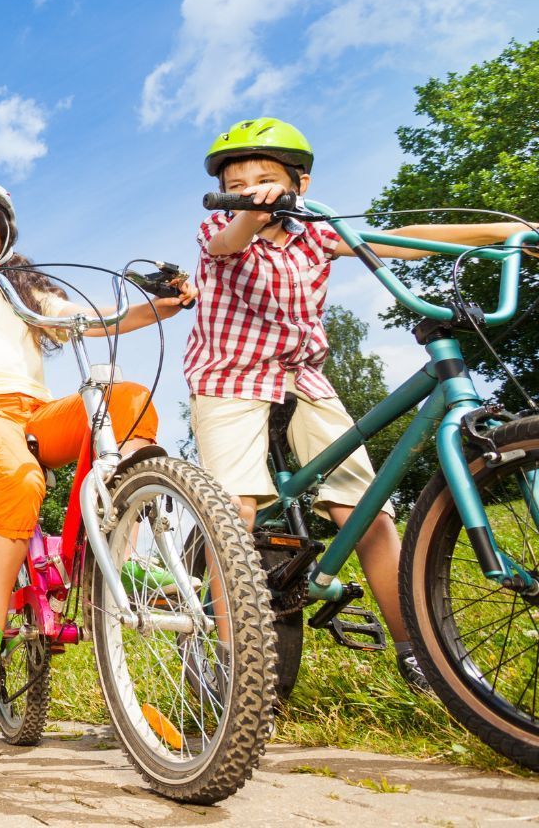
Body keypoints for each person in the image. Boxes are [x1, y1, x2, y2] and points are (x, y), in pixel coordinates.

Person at [187, 117, 531, 690]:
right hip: (229, 378)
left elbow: (411, 240)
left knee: (366, 510)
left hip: (305, 380)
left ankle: (420, 652)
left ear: (302, 182)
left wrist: (507, 230)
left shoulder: (318, 231)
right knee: (235, 512)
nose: (251, 189)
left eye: (266, 178)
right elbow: (231, 241)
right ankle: (230, 665)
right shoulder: (219, 228)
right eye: (238, 182)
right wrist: (251, 209)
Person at [0, 179, 191, 684]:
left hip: (37, 413)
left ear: (4, 233)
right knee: (19, 477)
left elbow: (87, 317)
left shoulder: (25, 288)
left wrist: (160, 306)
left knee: (126, 399)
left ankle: (120, 555)